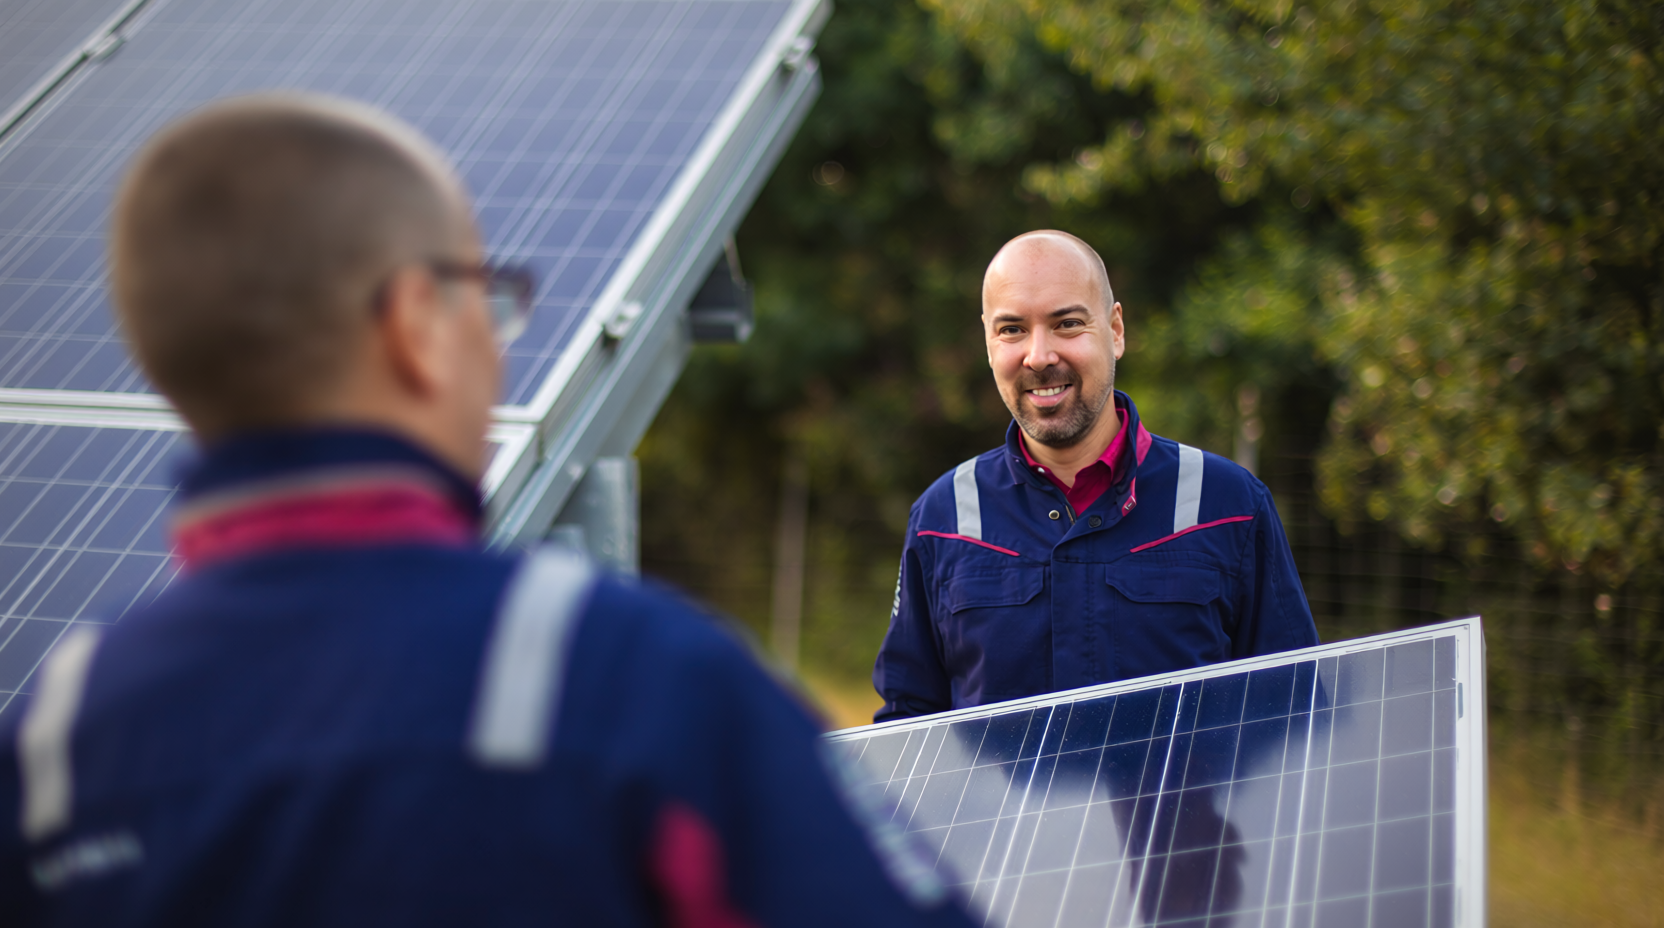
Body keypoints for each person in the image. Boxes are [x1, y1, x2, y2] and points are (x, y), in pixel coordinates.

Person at [0, 94, 974, 928]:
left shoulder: (55, 742)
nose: (501, 343)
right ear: (415, 328)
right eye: (487, 298)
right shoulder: (627, 677)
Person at [873, 230, 1318, 723]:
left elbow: (1293, 711)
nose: (1039, 356)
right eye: (1012, 329)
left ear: (1116, 330)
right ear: (987, 340)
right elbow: (907, 727)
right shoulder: (943, 517)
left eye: (1066, 323)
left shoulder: (1229, 504)